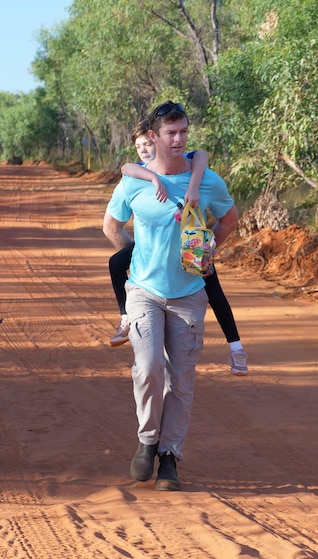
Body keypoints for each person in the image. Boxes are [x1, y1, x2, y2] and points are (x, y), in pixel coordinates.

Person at [103, 101, 238, 491]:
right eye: (170, 133)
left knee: (181, 380)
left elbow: (229, 220)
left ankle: (169, 457)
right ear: (154, 137)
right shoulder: (134, 183)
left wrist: (208, 252)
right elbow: (111, 224)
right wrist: (133, 255)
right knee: (148, 369)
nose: (178, 140)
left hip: (189, 295)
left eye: (183, 132)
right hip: (144, 291)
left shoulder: (208, 180)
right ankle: (148, 440)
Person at [108, 119, 249, 376]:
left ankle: (236, 346)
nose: (144, 150)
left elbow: (202, 156)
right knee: (116, 262)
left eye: (148, 145)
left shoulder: (191, 165)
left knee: (213, 288)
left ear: (157, 142)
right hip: (151, 249)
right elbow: (125, 167)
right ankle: (126, 317)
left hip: (193, 247)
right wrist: (152, 178)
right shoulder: (138, 171)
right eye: (139, 146)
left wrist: (210, 245)